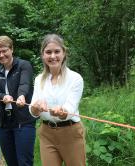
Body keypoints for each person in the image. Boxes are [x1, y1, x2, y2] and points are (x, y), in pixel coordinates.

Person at [29, 34, 86, 166]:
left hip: (70, 133)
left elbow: (70, 108)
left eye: (57, 51)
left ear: (64, 53)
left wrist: (61, 111)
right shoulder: (38, 79)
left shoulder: (75, 78)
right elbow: (32, 110)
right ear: (43, 55)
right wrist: (35, 107)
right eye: (48, 52)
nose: (53, 56)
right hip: (46, 133)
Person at [0, 35, 36, 166]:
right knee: (11, 162)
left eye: (5, 50)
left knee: (24, 162)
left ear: (12, 49)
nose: (2, 55)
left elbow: (24, 84)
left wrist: (21, 96)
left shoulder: (24, 65)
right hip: (4, 123)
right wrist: (3, 97)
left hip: (23, 120)